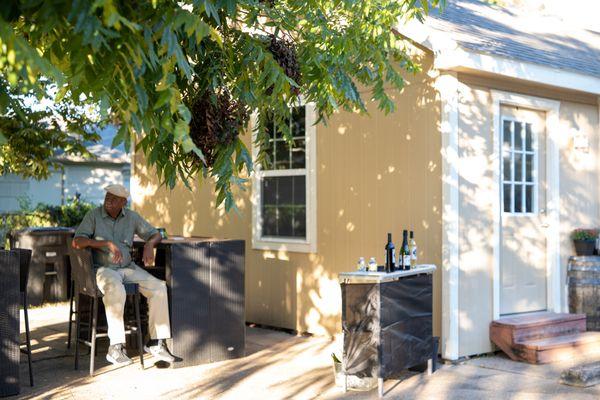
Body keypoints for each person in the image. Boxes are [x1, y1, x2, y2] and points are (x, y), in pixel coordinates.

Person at [72, 184, 174, 366]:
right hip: (104, 269)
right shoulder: (93, 216)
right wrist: (105, 243)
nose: (108, 202)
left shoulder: (131, 217)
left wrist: (150, 245)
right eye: (107, 197)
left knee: (159, 287)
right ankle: (116, 347)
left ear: (123, 202)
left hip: (128, 268)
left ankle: (156, 343)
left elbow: (155, 234)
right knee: (115, 289)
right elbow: (77, 241)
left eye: (113, 199)